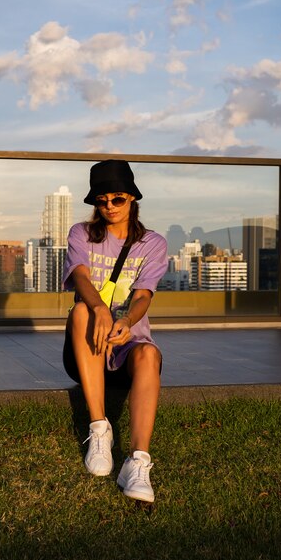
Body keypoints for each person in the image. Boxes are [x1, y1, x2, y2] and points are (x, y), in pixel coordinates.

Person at [62, 159, 168, 503]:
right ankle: (99, 428)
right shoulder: (82, 233)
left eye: (117, 199)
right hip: (86, 347)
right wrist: (98, 309)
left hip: (126, 348)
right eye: (102, 200)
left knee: (150, 352)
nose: (109, 206)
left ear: (132, 199)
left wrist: (126, 322)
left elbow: (143, 295)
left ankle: (137, 462)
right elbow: (79, 273)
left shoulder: (152, 243)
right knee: (80, 310)